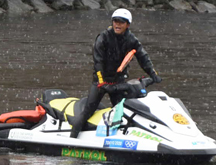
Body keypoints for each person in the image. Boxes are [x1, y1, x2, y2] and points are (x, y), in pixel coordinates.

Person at [69, 8, 161, 138]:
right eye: (115, 21)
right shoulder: (103, 38)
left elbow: (143, 57)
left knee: (124, 111)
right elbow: (98, 62)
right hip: (101, 82)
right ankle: (72, 140)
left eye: (121, 22)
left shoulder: (131, 40)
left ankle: (124, 139)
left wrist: (153, 74)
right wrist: (102, 82)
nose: (117, 24)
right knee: (88, 110)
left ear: (127, 25)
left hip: (118, 82)